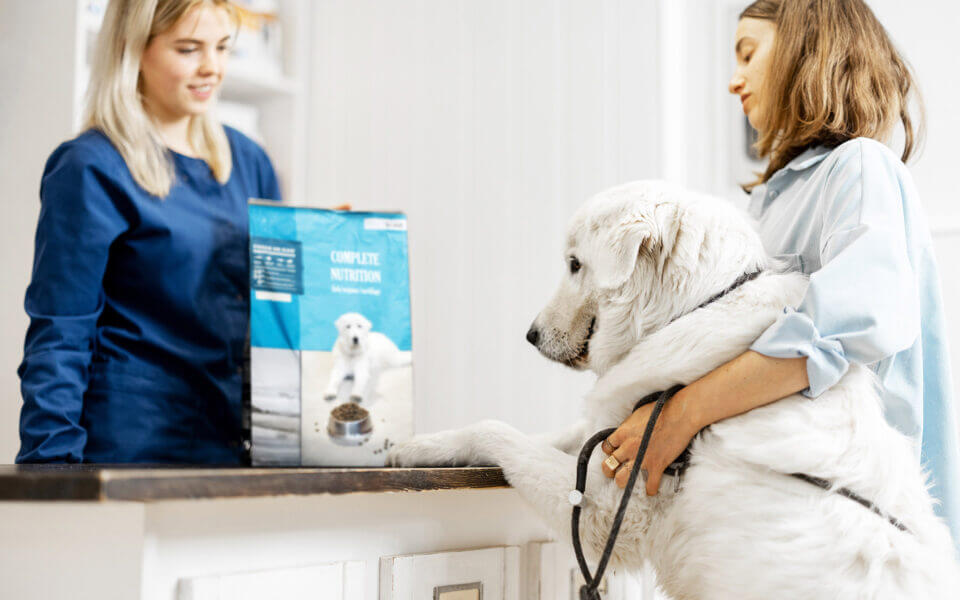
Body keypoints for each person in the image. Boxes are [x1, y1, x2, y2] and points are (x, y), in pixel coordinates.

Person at [598, 0, 960, 553]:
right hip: (772, 524)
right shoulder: (764, 207)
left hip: (851, 532)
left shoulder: (860, 169)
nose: (733, 81)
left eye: (748, 53)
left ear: (805, 46)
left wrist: (679, 416)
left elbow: (846, 329)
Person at [16, 0, 281, 464]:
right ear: (133, 48)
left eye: (222, 47)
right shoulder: (91, 167)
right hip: (132, 446)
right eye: (188, 49)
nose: (212, 68)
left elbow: (276, 315)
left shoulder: (249, 163)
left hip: (230, 444)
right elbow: (61, 330)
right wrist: (50, 471)